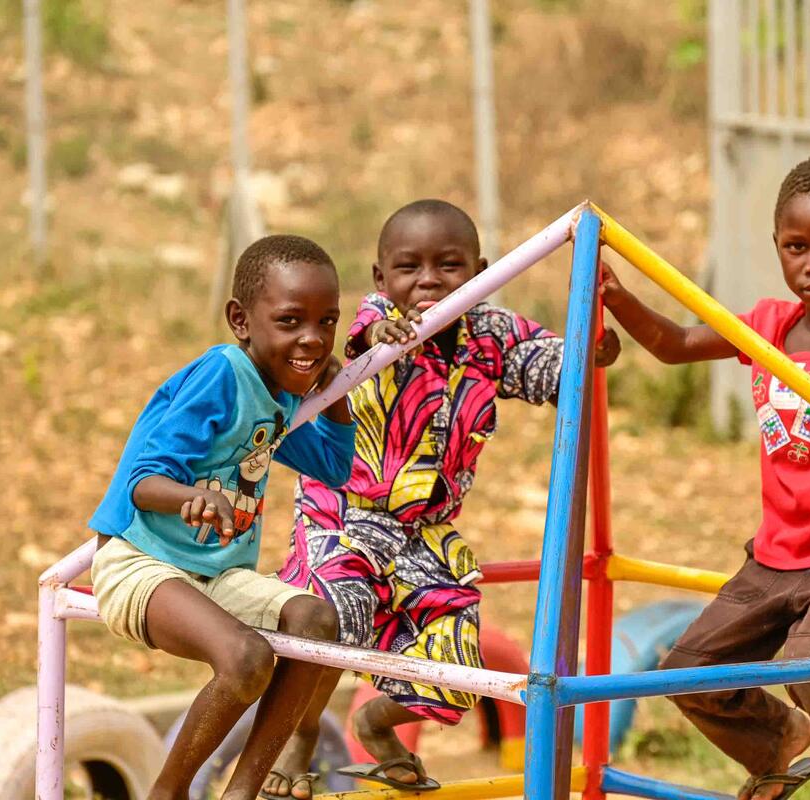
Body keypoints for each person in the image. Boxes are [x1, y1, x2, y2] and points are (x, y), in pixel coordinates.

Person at [598, 154, 810, 800]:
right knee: (685, 668)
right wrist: (618, 298)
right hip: (779, 555)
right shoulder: (765, 327)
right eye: (797, 247)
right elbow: (674, 345)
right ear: (777, 246)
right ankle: (775, 742)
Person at [262, 199, 621, 798]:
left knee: (457, 647)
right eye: (408, 268)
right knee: (332, 611)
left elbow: (554, 367)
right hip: (344, 515)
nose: (427, 280)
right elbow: (355, 343)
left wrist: (591, 351)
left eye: (448, 266)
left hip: (424, 533)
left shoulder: (493, 337)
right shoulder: (379, 322)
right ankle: (298, 736)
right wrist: (379, 336)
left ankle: (378, 723)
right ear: (381, 279)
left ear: (480, 271)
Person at [88, 234, 357, 800]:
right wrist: (194, 497)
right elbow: (143, 482)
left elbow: (332, 466)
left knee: (317, 621)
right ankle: (169, 791)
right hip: (141, 562)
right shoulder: (224, 375)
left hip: (215, 575)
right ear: (241, 319)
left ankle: (244, 790)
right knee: (246, 658)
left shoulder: (281, 391)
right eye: (290, 321)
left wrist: (335, 382)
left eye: (326, 322)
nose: (310, 338)